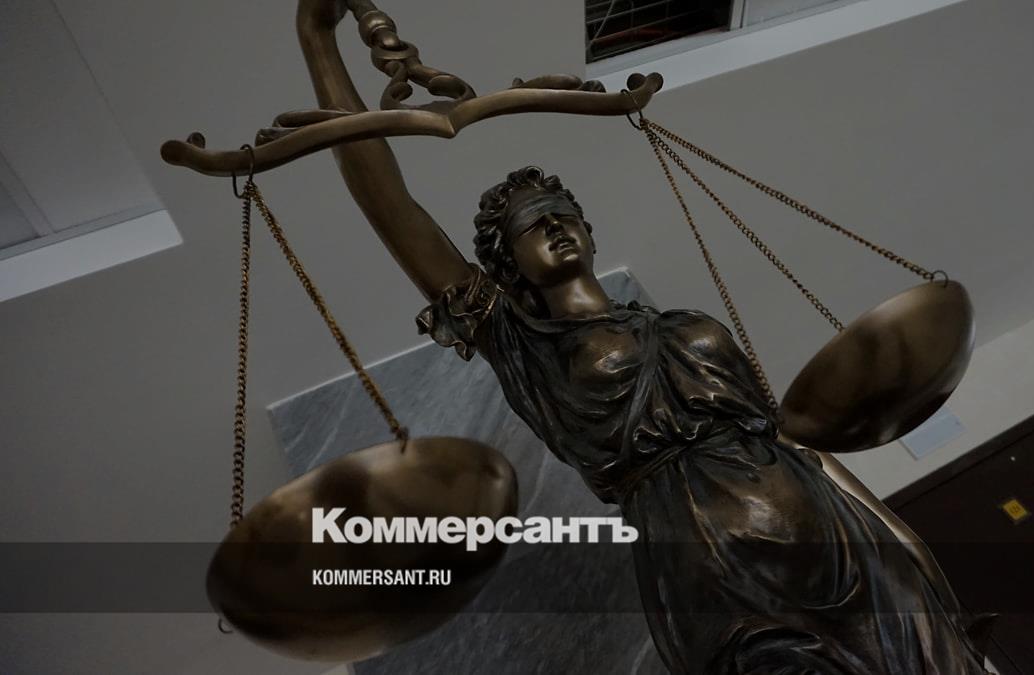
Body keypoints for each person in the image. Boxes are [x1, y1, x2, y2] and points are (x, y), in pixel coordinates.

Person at [293, 2, 990, 672]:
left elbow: (787, 440)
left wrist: (901, 537)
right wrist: (318, 38)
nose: (555, 223)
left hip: (831, 529)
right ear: (508, 264)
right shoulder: (523, 339)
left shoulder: (679, 324)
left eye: (563, 212)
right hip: (707, 556)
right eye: (533, 224)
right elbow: (388, 203)